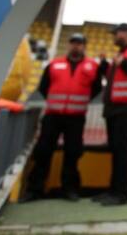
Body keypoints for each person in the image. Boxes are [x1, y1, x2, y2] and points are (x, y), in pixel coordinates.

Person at [22, 33, 102, 202]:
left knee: (73, 153)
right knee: (43, 152)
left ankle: (70, 189)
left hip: (76, 118)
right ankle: (35, 190)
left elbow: (96, 89)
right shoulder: (54, 64)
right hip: (52, 116)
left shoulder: (92, 66)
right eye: (73, 43)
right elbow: (43, 87)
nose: (76, 46)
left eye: (79, 44)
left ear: (84, 46)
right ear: (68, 45)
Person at [91, 23, 127, 206]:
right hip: (115, 108)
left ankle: (121, 193)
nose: (114, 37)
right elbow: (113, 77)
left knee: (121, 148)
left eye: (116, 34)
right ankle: (113, 190)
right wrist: (104, 66)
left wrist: (122, 62)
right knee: (115, 149)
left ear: (125, 33)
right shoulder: (123, 53)